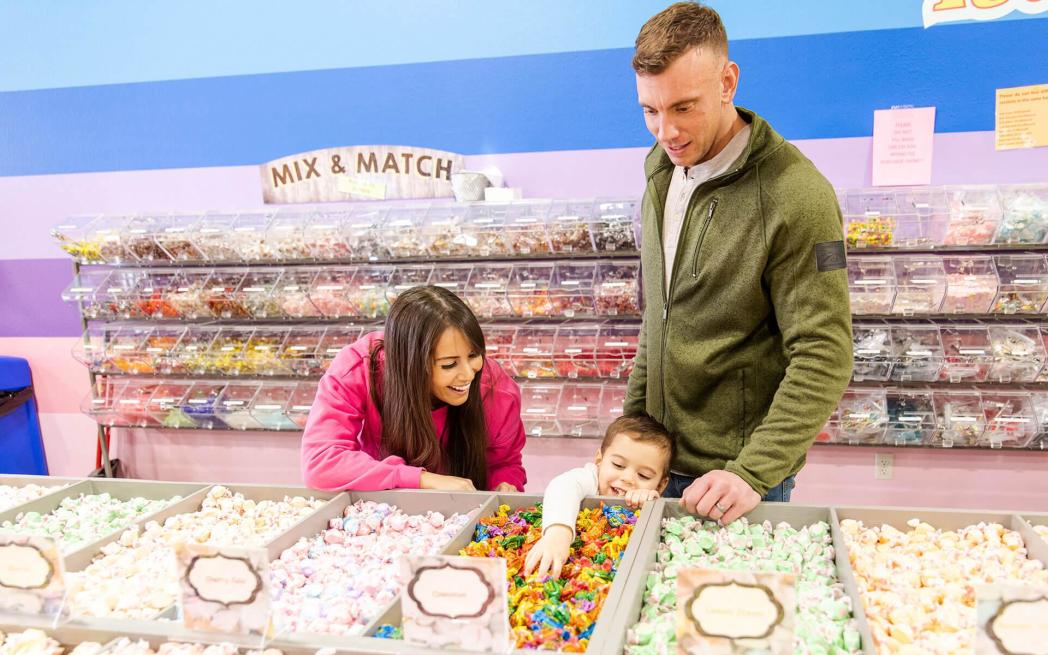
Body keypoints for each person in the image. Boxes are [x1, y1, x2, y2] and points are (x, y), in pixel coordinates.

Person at [623, 3, 853, 524]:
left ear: (728, 81)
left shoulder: (797, 196)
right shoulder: (662, 172)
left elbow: (825, 353)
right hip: (653, 466)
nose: (666, 131)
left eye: (684, 107)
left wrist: (753, 472)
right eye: (649, 110)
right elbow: (657, 320)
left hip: (733, 479)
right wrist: (630, 431)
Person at [301, 285, 526, 492]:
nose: (469, 374)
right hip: (384, 506)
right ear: (410, 364)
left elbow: (505, 463)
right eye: (449, 364)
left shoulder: (495, 389)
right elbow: (322, 460)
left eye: (474, 355)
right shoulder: (358, 368)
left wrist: (505, 485)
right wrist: (422, 479)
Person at [523, 414, 674, 579]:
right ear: (599, 460)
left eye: (644, 475)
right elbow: (564, 486)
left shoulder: (650, 495)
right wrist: (559, 533)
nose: (627, 478)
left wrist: (649, 501)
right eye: (618, 465)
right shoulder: (590, 478)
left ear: (660, 485)